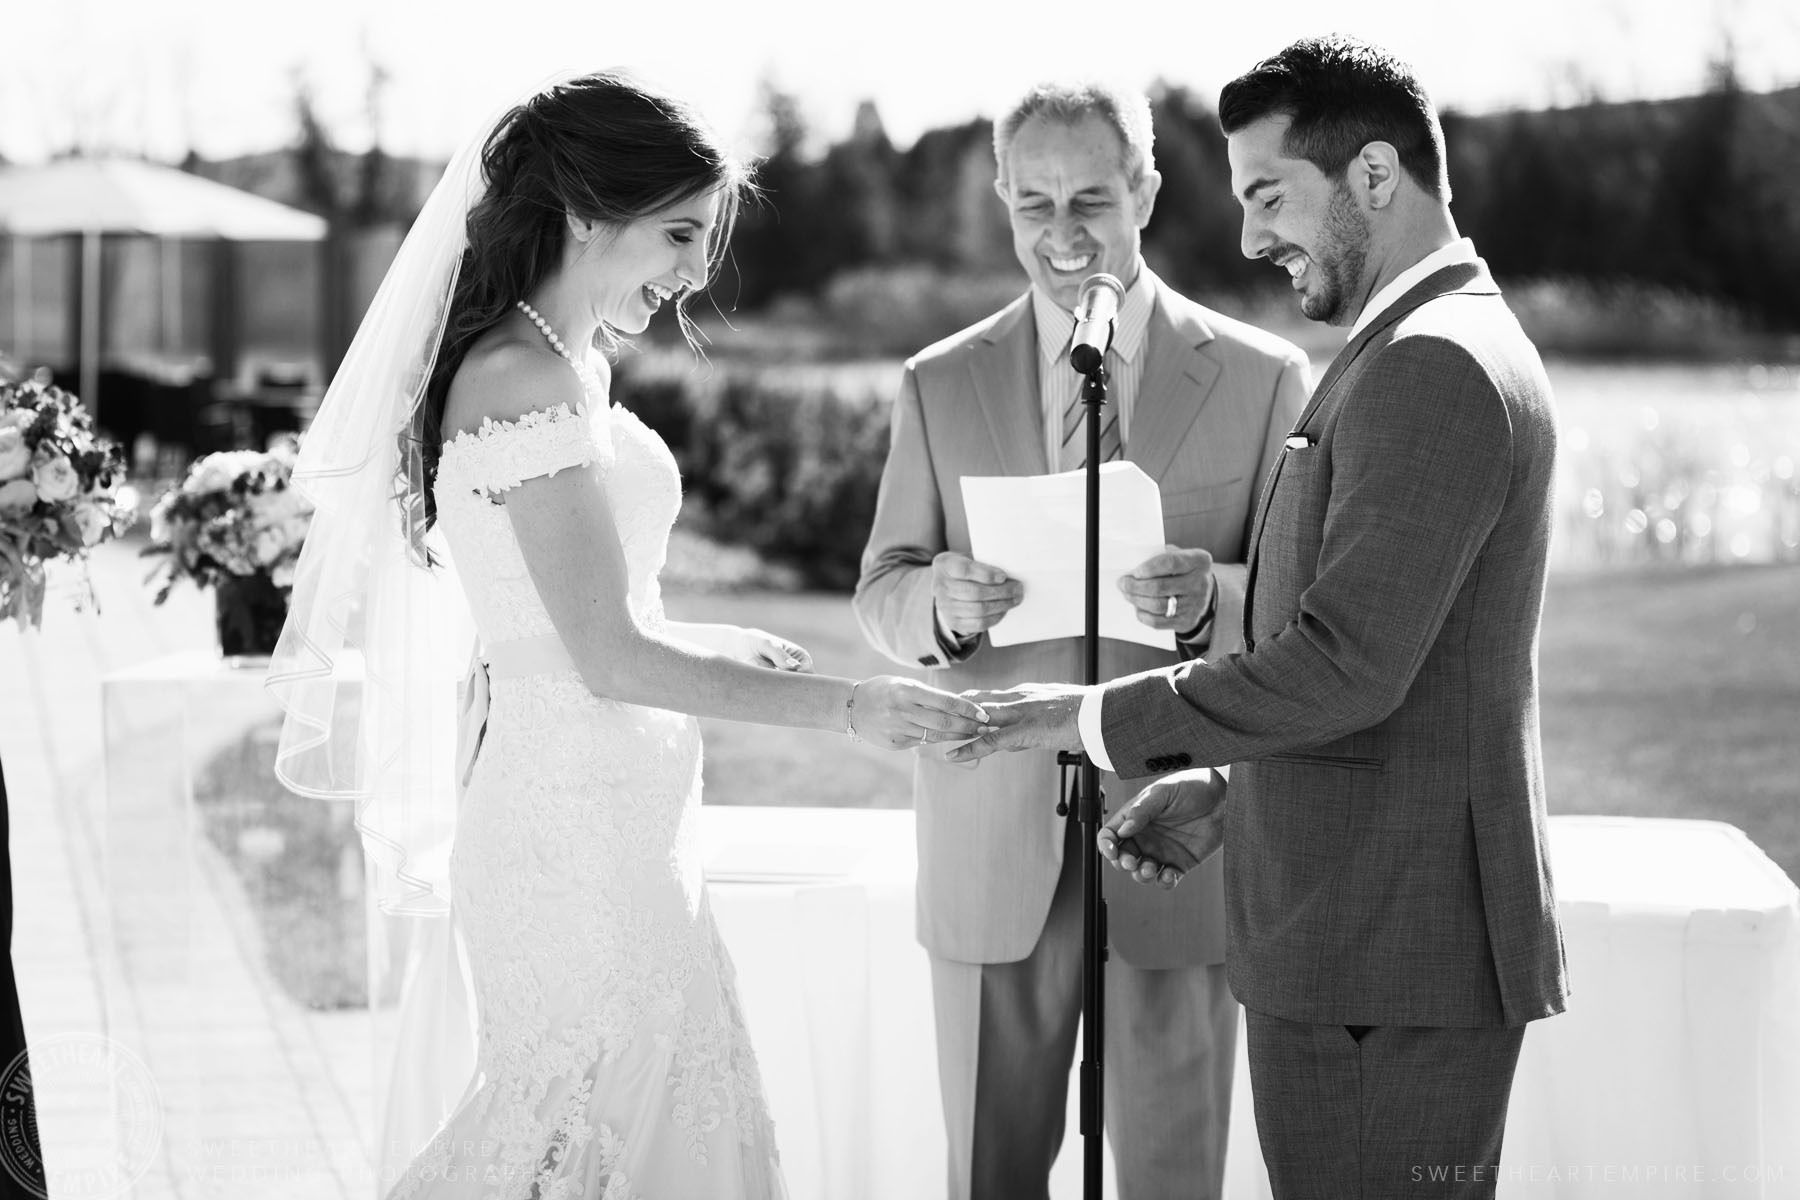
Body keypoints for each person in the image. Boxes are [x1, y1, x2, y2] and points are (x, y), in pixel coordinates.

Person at [267, 72, 991, 1200]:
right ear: (587, 214)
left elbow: (554, 618)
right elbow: (604, 660)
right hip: (575, 831)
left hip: (623, 802)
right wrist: (852, 706)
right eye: (680, 234)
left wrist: (703, 632)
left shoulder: (569, 360)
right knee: (581, 1126)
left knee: (643, 1114)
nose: (697, 275)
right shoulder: (519, 377)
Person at [949, 36, 1569, 1200]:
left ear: (1375, 178)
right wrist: (1235, 789)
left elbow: (1344, 665)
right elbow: (1398, 664)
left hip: (1383, 964)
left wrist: (1086, 719)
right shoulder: (1419, 345)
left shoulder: (1431, 363)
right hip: (1372, 945)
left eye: (1269, 194)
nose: (1248, 237)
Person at [854, 81, 1310, 1200]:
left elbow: (1309, 617)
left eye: (1092, 200)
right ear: (1003, 201)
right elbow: (880, 589)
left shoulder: (1263, 381)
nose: (1063, 236)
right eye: (1034, 205)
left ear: (1147, 192)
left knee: (1171, 1177)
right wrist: (940, 608)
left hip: (1179, 842)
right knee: (988, 1175)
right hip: (987, 832)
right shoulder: (937, 380)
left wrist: (1215, 596)